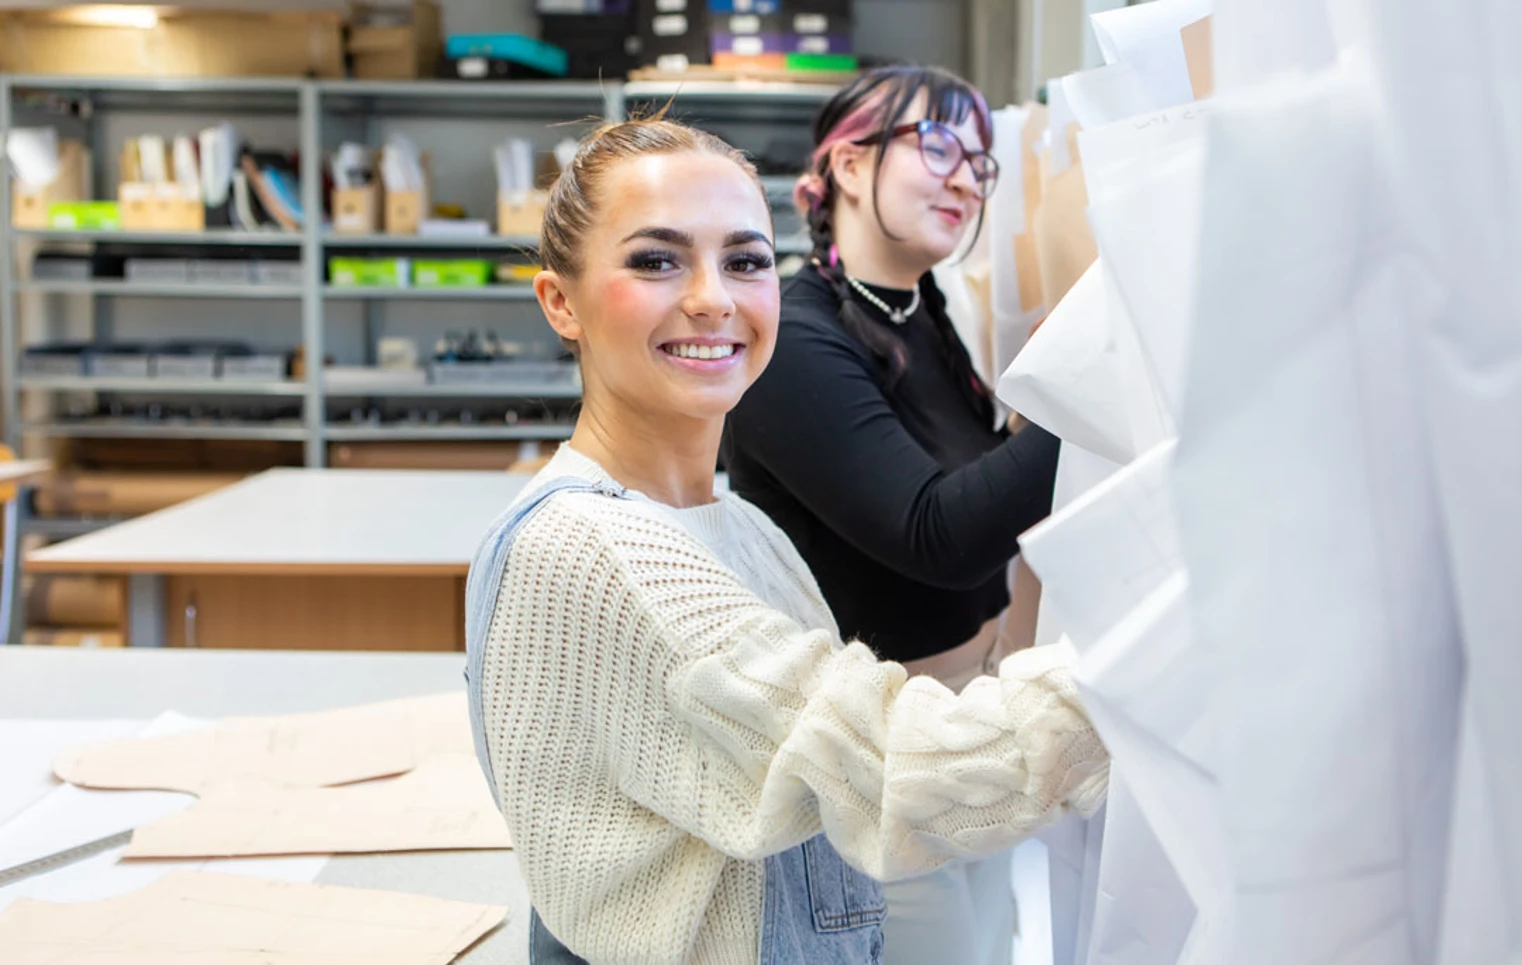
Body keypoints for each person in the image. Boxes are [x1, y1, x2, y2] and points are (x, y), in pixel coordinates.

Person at [464, 113, 1107, 965]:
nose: (712, 298)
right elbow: (887, 767)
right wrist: (1150, 663)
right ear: (561, 302)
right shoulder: (598, 550)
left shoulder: (741, 529)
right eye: (657, 259)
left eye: (745, 260)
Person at [719, 66, 1058, 965]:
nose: (964, 178)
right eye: (937, 146)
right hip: (878, 757)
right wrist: (1093, 391)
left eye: (981, 163)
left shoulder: (923, 311)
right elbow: (936, 533)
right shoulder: (794, 336)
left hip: (965, 725)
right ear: (846, 164)